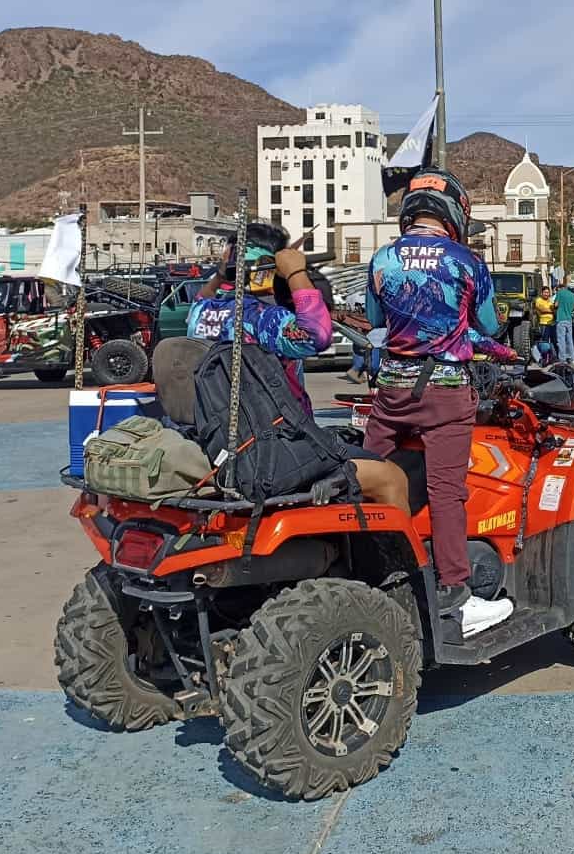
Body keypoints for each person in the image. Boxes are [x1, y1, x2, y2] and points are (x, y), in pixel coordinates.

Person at [363, 169, 514, 639]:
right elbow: (487, 324)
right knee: (447, 492)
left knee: (364, 477)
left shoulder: (383, 259)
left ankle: (361, 572)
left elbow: (375, 320)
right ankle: (457, 596)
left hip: (390, 392)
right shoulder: (466, 262)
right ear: (455, 215)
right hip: (446, 392)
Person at [188, 227, 409, 514]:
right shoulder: (262, 319)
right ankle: (403, 559)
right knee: (391, 478)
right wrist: (295, 273)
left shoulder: (201, 314)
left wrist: (220, 274)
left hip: (229, 441)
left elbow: (201, 298)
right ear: (265, 270)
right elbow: (316, 334)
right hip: (274, 446)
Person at [552, 282, 574, 364]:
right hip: (569, 319)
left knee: (561, 340)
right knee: (569, 339)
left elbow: (556, 305)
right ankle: (571, 358)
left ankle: (562, 359)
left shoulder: (560, 293)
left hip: (561, 319)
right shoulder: (572, 295)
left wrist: (553, 307)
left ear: (559, 288)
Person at [532, 285, 556, 362]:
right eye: (545, 292)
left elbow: (555, 308)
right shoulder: (538, 300)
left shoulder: (550, 300)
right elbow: (542, 309)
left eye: (548, 292)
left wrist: (552, 309)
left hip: (552, 323)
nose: (546, 294)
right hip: (544, 323)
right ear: (542, 293)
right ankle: (544, 358)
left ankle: (552, 357)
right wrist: (551, 310)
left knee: (553, 341)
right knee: (544, 342)